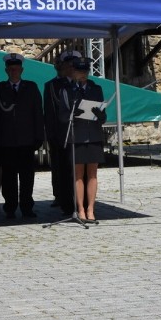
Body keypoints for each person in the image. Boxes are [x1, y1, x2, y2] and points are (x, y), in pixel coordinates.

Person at [0, 54, 44, 219]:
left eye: (16, 69)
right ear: (6, 70)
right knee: (8, 177)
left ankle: (27, 206)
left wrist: (39, 136)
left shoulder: (31, 87)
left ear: (21, 70)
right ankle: (10, 207)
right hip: (7, 141)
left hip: (26, 140)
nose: (14, 72)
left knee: (27, 177)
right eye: (11, 69)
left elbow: (38, 113)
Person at [60, 56, 106, 224]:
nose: (83, 74)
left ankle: (90, 209)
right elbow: (62, 115)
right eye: (79, 71)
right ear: (73, 72)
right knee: (78, 175)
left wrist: (101, 115)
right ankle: (80, 208)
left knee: (93, 173)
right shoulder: (67, 90)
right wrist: (73, 114)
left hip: (93, 134)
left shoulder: (96, 88)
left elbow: (103, 114)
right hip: (77, 135)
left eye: (85, 71)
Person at [44, 50, 77, 215]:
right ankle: (65, 201)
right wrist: (51, 135)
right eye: (68, 64)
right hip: (61, 134)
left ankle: (80, 201)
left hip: (80, 135)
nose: (71, 67)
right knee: (62, 170)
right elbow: (49, 112)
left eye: (74, 64)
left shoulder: (84, 84)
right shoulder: (53, 86)